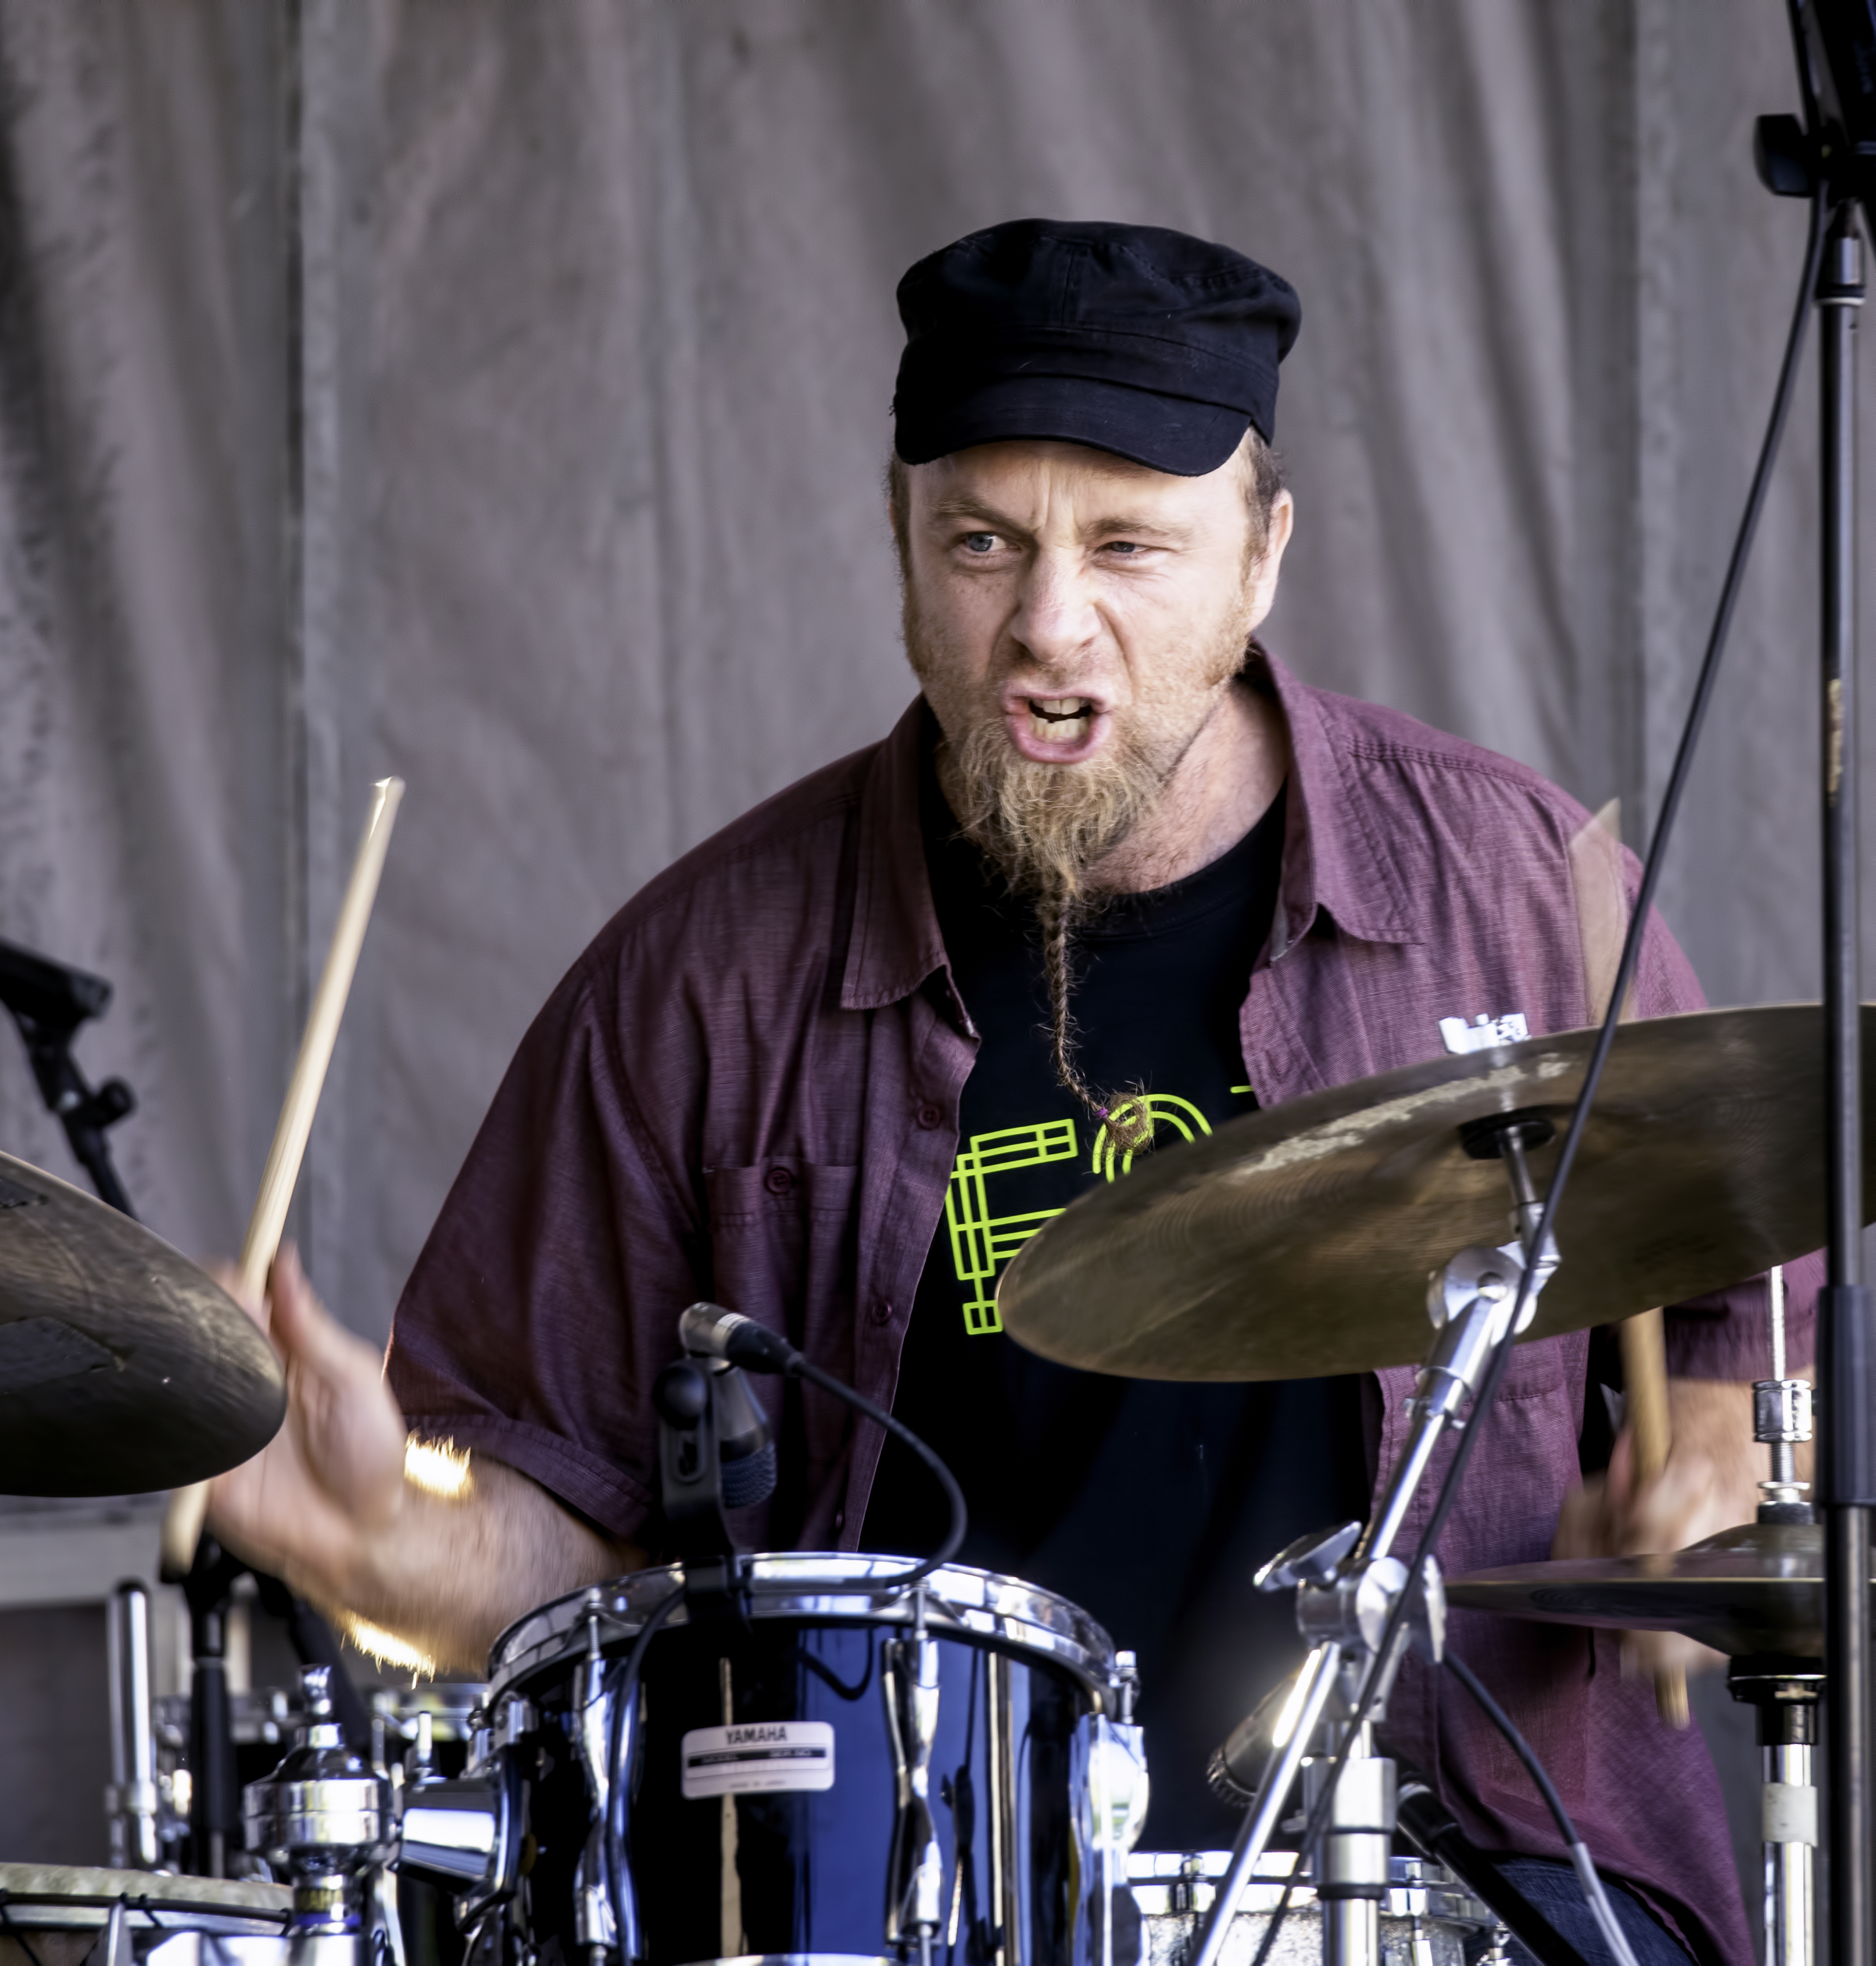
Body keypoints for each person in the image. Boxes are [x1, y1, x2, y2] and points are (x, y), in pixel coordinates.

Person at [206, 219, 1794, 1966]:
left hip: (1469, 1889)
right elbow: (575, 1590)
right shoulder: (697, 983)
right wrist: (386, 1542)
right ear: (901, 546)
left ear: (1262, 556)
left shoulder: (1509, 885)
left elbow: (1738, 1293)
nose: (1050, 627)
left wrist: (1707, 1444)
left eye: (1131, 546)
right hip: (919, 1912)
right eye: (984, 543)